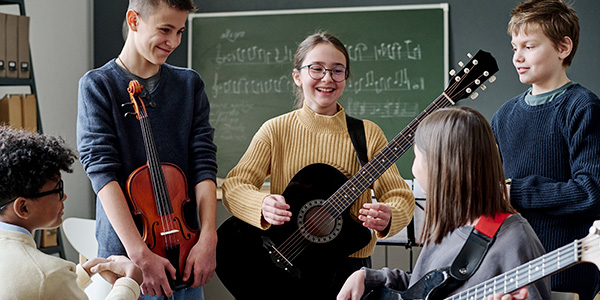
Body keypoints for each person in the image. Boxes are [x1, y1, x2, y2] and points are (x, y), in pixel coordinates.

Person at [220, 31, 415, 299]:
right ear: (297, 76)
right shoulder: (275, 130)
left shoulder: (367, 133)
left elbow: (398, 194)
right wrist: (261, 206)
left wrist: (389, 215)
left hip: (348, 271)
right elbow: (235, 185)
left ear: (346, 77)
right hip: (283, 263)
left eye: (337, 71)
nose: (327, 78)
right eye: (317, 69)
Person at [77, 0, 218, 299]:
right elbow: (102, 173)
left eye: (180, 31)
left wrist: (208, 237)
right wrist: (140, 255)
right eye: (165, 30)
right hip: (128, 260)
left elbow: (204, 164)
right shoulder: (97, 85)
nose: (174, 42)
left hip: (186, 250)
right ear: (133, 20)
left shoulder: (189, 84)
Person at [337, 106, 551, 300]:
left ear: (439, 167)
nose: (413, 169)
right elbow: (423, 287)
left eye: (416, 157)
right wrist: (369, 277)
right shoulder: (450, 224)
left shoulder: (515, 240)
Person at [491, 0, 600, 299]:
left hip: (565, 270)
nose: (517, 57)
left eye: (529, 46)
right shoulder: (503, 116)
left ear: (563, 48)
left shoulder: (583, 107)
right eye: (515, 47)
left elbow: (592, 191)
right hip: (511, 268)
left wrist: (516, 192)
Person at [0, 126, 143, 299]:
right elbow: (44, 281)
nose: (64, 196)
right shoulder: (49, 273)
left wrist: (79, 275)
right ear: (23, 207)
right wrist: (129, 283)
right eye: (57, 189)